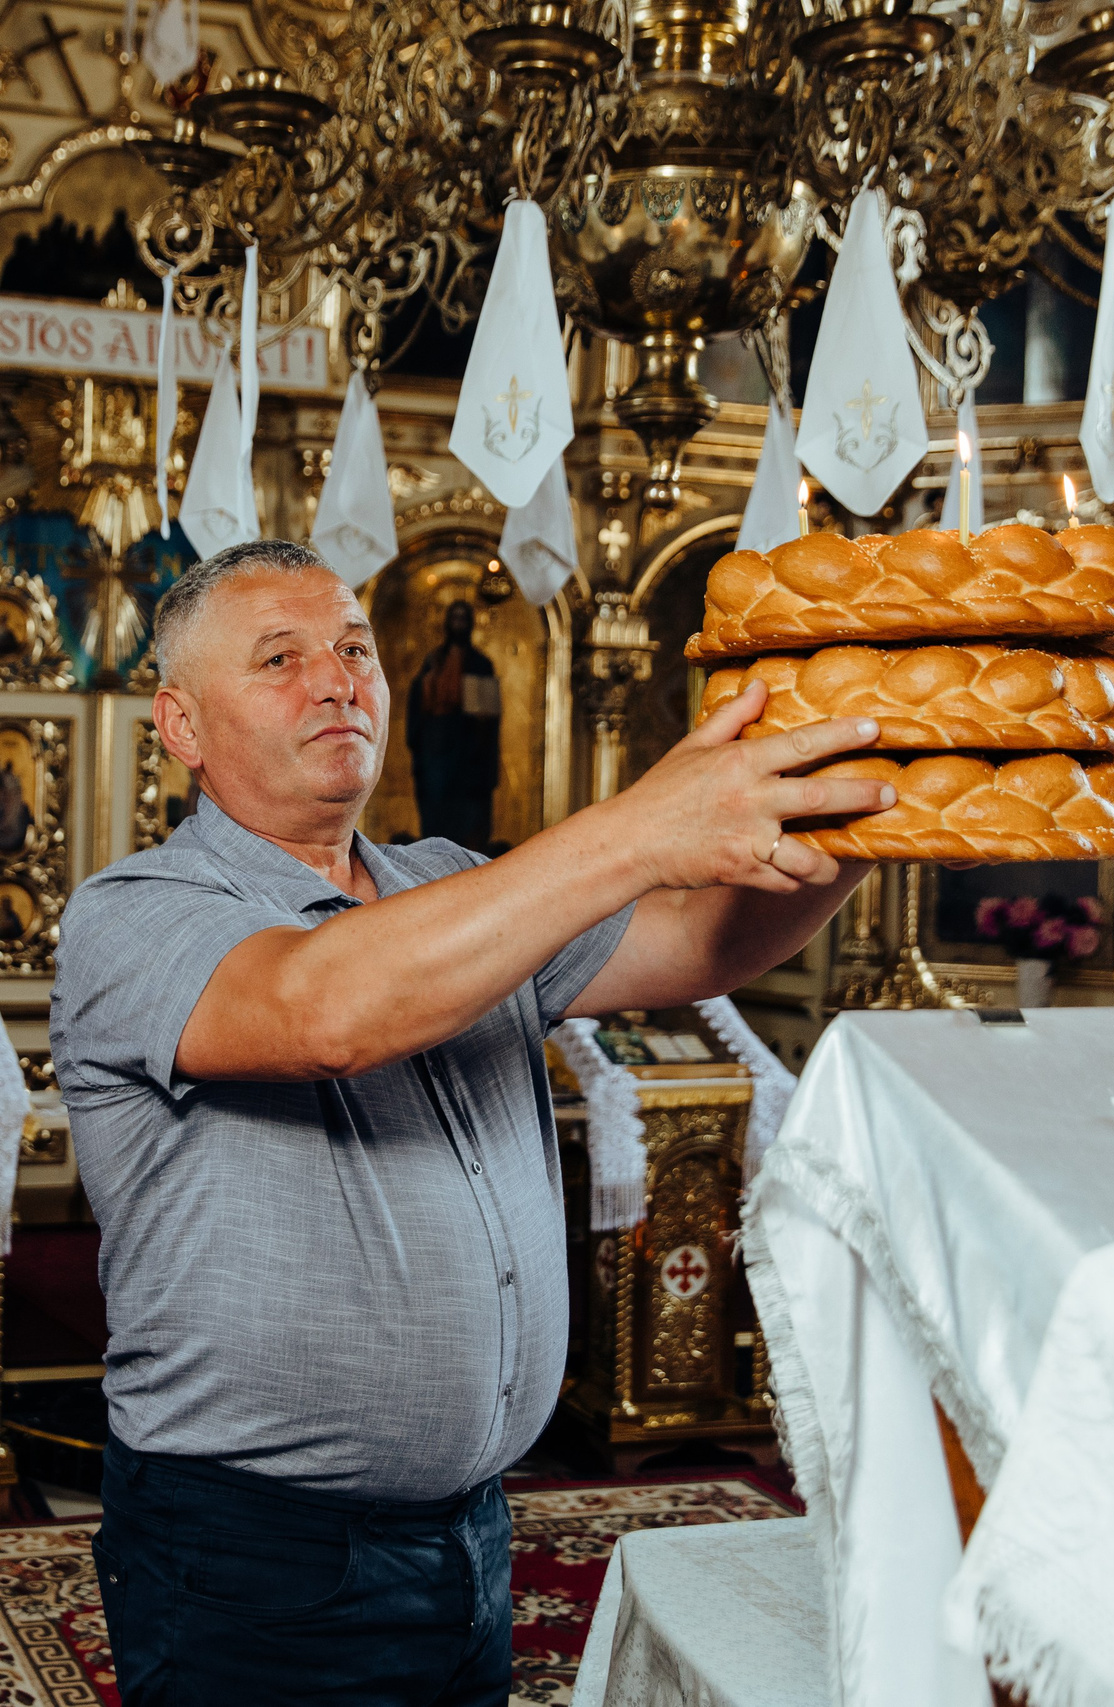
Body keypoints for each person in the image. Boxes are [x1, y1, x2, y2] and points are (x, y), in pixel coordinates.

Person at [48, 540, 885, 1702]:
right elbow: (326, 1007)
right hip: (253, 1554)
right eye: (279, 658)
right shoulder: (132, 915)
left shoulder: (452, 880)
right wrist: (636, 828)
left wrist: (878, 796)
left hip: (470, 1531)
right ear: (181, 726)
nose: (336, 681)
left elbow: (701, 942)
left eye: (352, 650)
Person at [407, 598, 503, 850]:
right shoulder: (434, 660)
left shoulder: (481, 664)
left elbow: (488, 718)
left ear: (470, 624)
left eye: (463, 618)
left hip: (467, 752)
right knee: (436, 816)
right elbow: (418, 704)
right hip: (435, 747)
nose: (458, 624)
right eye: (454, 618)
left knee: (466, 820)